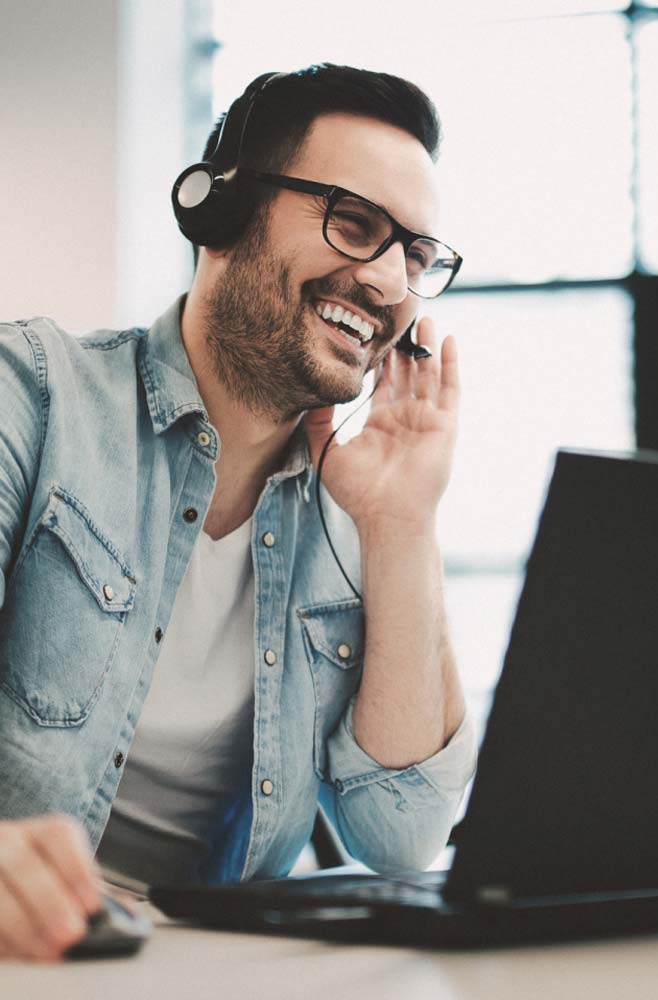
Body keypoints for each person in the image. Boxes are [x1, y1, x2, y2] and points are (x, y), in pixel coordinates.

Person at [0, 64, 476, 961]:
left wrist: (403, 527)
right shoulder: (32, 396)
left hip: (209, 968)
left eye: (415, 255)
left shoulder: (361, 506)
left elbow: (403, 837)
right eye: (355, 223)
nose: (386, 281)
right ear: (220, 213)